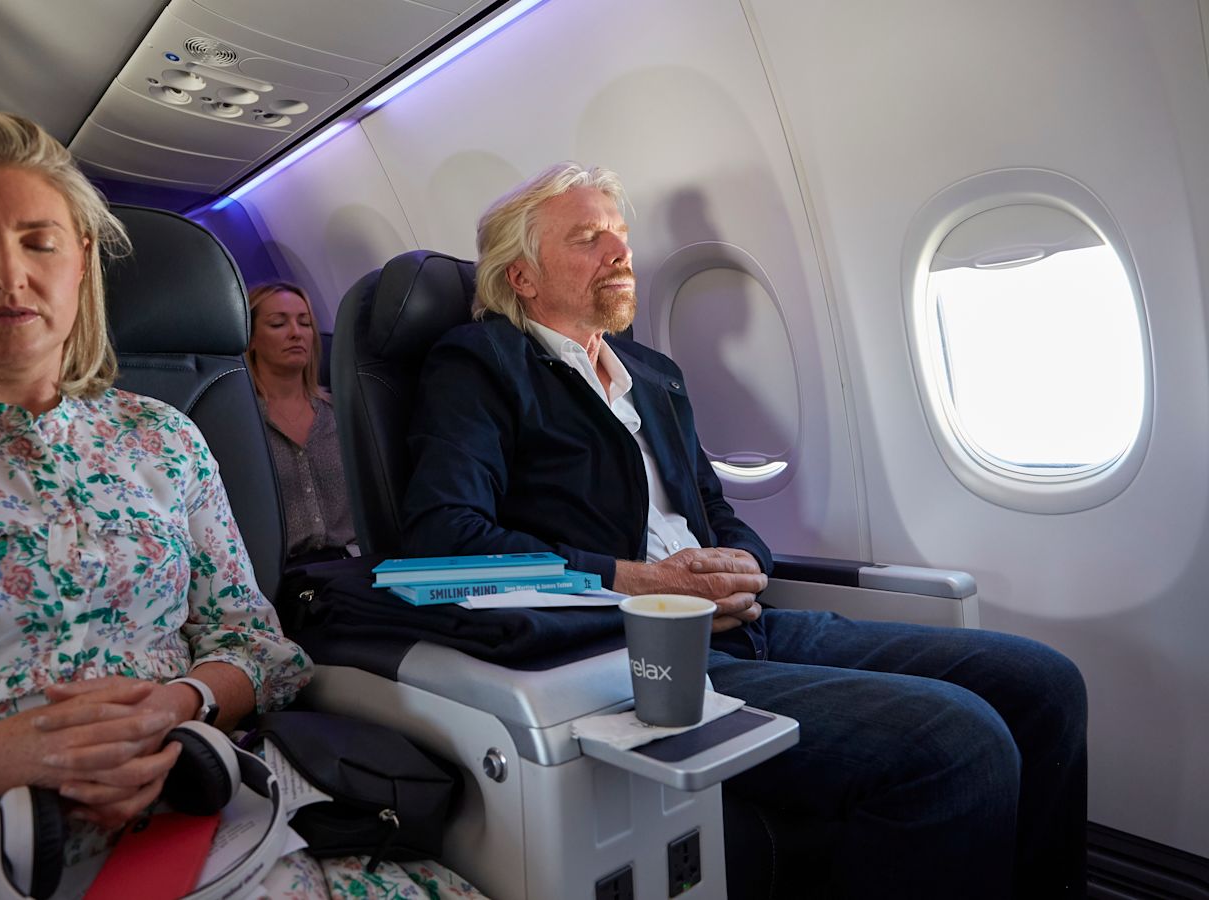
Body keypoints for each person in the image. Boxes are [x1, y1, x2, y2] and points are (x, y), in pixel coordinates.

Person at [0, 111, 479, 900]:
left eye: (38, 241)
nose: (7, 275)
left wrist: (182, 707)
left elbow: (256, 643)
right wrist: (18, 753)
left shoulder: (163, 439)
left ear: (80, 264)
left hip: (190, 834)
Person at [401, 162, 1088, 899]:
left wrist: (741, 566)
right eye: (588, 238)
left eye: (621, 236)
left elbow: (714, 510)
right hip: (631, 655)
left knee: (1042, 681)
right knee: (954, 740)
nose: (620, 253)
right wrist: (638, 581)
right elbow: (444, 539)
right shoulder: (482, 364)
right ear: (524, 278)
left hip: (744, 623)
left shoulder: (652, 374)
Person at [246, 281, 356, 569]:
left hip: (352, 566)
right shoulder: (241, 423)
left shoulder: (341, 414)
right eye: (278, 323)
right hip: (276, 576)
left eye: (305, 323)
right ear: (251, 338)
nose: (296, 333)